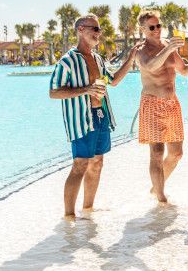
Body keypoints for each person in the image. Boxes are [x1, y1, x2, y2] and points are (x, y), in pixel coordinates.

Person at [49, 14, 138, 220]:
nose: (99, 33)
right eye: (95, 29)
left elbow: (113, 81)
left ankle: (88, 210)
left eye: (99, 30)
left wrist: (131, 58)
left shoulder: (97, 59)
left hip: (101, 115)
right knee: (80, 164)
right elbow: (54, 92)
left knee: (97, 161)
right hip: (81, 119)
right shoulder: (67, 61)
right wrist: (86, 90)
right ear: (81, 29)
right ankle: (69, 217)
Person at [134, 10, 188, 204]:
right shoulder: (140, 50)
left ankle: (155, 187)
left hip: (172, 104)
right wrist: (168, 50)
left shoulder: (168, 46)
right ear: (142, 29)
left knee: (176, 153)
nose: (157, 30)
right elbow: (151, 66)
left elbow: (184, 71)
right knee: (157, 153)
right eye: (151, 27)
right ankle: (161, 198)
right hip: (152, 103)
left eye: (158, 25)